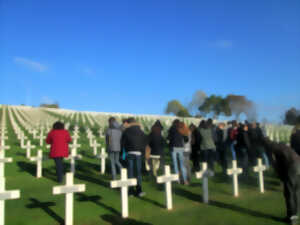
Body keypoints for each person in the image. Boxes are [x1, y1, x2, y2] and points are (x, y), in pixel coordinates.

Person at [262, 137, 300, 225]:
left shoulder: (270, 148)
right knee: (297, 192)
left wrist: (280, 175)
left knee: (289, 193)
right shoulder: (281, 145)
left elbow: (274, 163)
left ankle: (292, 218)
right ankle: (295, 215)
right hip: (299, 165)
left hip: (292, 168)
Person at [121, 117, 147, 197]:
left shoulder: (126, 131)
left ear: (129, 123)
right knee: (138, 172)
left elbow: (122, 143)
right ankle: (139, 190)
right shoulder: (141, 131)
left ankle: (131, 191)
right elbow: (144, 142)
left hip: (129, 153)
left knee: (130, 172)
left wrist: (123, 154)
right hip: (138, 153)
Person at [167, 119, 188, 185]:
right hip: (181, 147)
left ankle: (177, 180)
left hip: (173, 147)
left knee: (175, 164)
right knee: (182, 165)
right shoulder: (181, 128)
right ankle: (185, 180)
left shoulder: (171, 129)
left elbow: (168, 138)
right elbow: (186, 139)